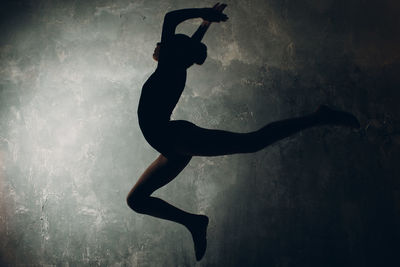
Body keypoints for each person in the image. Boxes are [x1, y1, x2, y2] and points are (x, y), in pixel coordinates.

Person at [126, 3, 359, 261]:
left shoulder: (170, 66)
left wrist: (204, 13)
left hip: (177, 139)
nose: (158, 46)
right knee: (136, 200)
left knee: (253, 142)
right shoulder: (177, 65)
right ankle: (194, 223)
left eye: (166, 44)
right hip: (171, 147)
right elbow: (187, 46)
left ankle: (318, 117)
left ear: (174, 51)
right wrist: (204, 25)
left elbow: (171, 19)